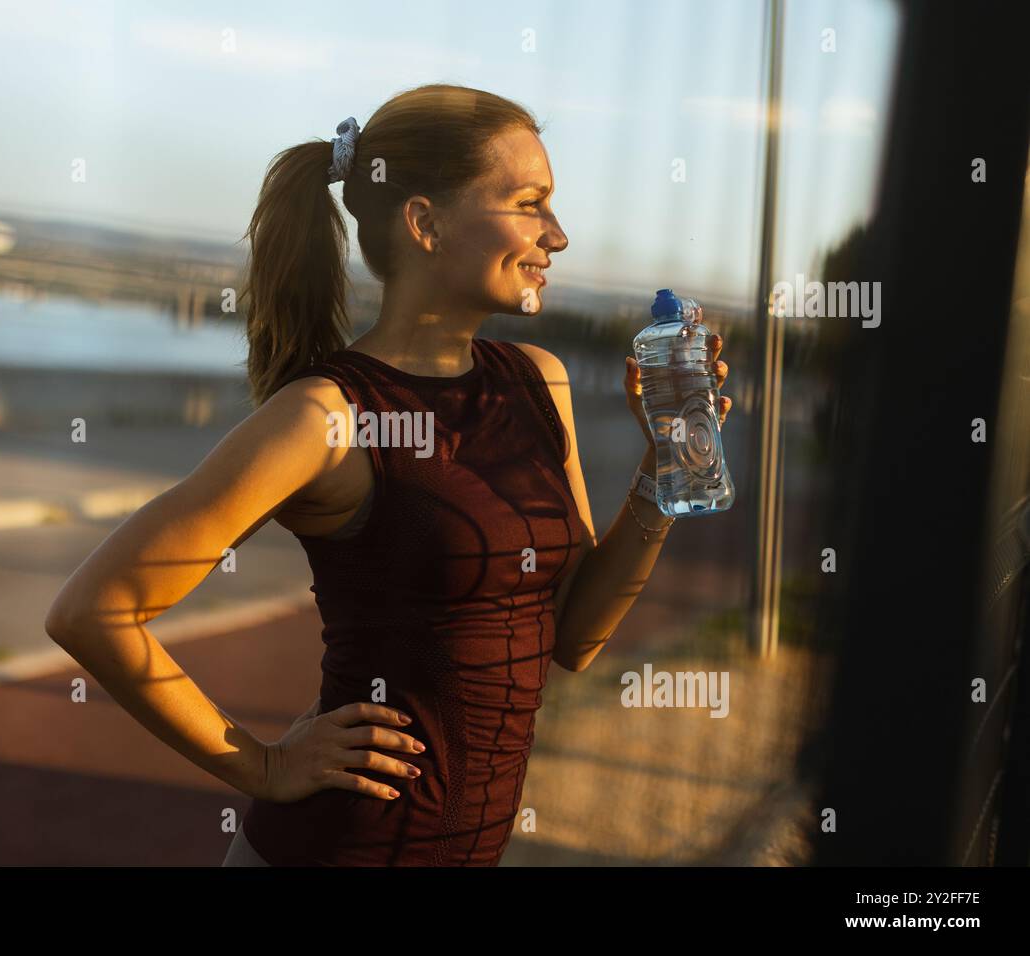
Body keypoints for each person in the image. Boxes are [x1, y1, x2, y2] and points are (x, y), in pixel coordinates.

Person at [45, 83, 732, 866]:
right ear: (425, 222)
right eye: (529, 202)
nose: (559, 235)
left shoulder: (538, 383)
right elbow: (92, 611)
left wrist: (666, 467)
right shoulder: (325, 416)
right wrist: (263, 764)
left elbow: (573, 638)